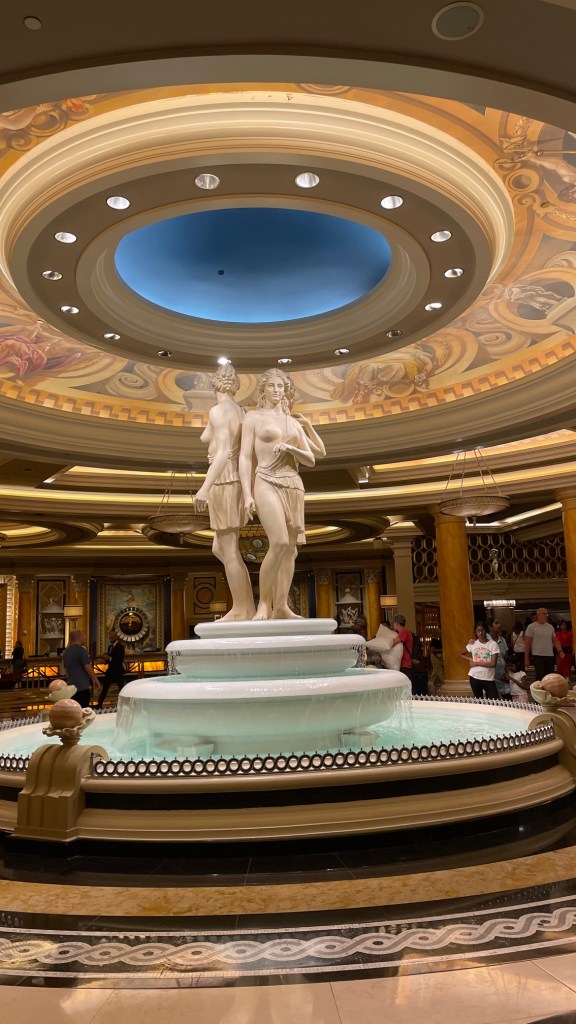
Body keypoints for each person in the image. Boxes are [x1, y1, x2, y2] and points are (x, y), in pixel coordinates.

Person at [239, 367, 315, 620]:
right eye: (271, 385)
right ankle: (264, 604)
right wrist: (247, 494)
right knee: (280, 541)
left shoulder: (292, 422)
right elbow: (244, 457)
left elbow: (312, 459)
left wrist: (293, 449)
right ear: (263, 388)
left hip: (293, 483)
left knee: (291, 549)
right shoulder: (253, 417)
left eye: (280, 386)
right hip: (265, 479)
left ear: (286, 390)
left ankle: (281, 606)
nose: (276, 390)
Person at [194, 363, 255, 621]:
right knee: (219, 548)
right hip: (234, 479)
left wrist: (204, 488)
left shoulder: (219, 411)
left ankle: (241, 609)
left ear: (214, 384)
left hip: (223, 479)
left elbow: (222, 452)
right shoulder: (240, 411)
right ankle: (247, 606)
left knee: (229, 549)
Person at [390, 613, 427, 696]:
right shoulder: (403, 632)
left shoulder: (404, 632)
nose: (393, 625)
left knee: (407, 687)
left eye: (393, 623)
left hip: (405, 664)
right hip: (403, 664)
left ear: (397, 623)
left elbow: (393, 643)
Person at [461, 622, 499, 700]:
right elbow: (461, 654)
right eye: (478, 630)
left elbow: (493, 664)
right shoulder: (473, 643)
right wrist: (470, 659)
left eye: (482, 630)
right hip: (474, 677)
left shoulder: (493, 644)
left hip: (488, 677)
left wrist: (476, 663)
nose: (480, 633)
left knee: (494, 700)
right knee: (479, 701)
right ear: (475, 631)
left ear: (486, 630)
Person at [63, 628, 100, 708]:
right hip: (82, 687)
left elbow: (65, 669)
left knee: (74, 709)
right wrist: (95, 678)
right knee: (83, 709)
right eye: (84, 635)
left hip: (70, 687)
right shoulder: (81, 650)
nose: (85, 637)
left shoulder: (66, 652)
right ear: (79, 637)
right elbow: (87, 666)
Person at [524, 607, 562, 680]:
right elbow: (527, 643)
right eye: (544, 614)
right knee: (539, 676)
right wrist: (526, 658)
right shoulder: (531, 627)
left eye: (546, 614)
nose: (546, 615)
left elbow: (555, 640)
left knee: (550, 677)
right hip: (537, 655)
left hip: (549, 654)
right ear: (538, 615)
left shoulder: (550, 627)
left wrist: (560, 650)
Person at [97, 630, 125, 709]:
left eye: (112, 637)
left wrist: (109, 658)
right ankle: (99, 704)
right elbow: (109, 659)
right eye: (110, 637)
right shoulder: (110, 647)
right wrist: (104, 661)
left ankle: (124, 703)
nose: (110, 639)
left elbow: (119, 659)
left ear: (116, 637)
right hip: (110, 671)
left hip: (118, 671)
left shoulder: (120, 647)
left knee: (121, 688)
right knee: (105, 688)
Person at [489, 621, 510, 699]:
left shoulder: (502, 640)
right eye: (496, 629)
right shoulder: (487, 640)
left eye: (499, 628)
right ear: (491, 628)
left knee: (506, 694)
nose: (498, 631)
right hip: (491, 672)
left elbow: (505, 656)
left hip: (502, 671)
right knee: (494, 696)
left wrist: (507, 670)